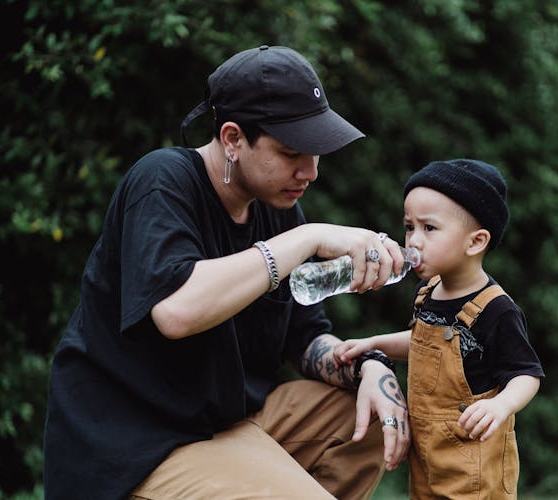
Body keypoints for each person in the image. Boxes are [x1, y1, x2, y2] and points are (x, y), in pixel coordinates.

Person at [43, 45, 411, 500]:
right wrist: (307, 239)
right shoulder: (163, 180)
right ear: (233, 138)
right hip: (136, 447)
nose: (311, 172)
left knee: (365, 414)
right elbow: (176, 311)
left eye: (317, 154)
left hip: (226, 423)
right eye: (292, 151)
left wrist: (370, 367)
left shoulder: (278, 210)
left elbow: (307, 338)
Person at [335, 159, 545, 498]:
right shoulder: (428, 292)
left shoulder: (496, 309)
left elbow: (526, 373)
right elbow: (421, 342)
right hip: (429, 457)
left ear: (475, 242)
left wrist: (500, 406)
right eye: (409, 227)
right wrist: (373, 342)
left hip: (472, 461)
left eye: (429, 229)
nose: (414, 241)